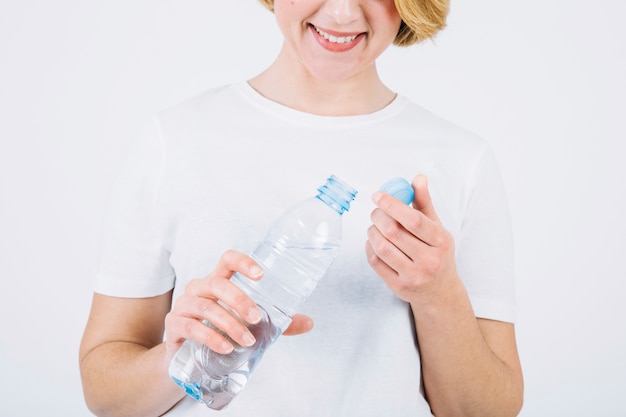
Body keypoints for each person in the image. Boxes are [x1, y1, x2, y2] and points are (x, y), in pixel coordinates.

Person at [79, 0, 524, 415]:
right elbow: (105, 394)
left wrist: (438, 294)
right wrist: (182, 355)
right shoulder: (175, 140)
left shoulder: (461, 159)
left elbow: (489, 410)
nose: (343, 13)